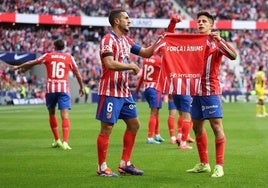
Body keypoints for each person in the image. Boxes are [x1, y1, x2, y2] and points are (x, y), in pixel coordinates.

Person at [95, 9, 161, 177]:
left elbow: (146, 53)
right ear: (116, 21)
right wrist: (131, 65)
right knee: (107, 127)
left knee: (134, 124)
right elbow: (109, 63)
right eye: (126, 18)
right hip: (110, 91)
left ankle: (125, 164)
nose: (129, 21)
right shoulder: (108, 39)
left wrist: (158, 42)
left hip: (124, 92)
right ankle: (102, 167)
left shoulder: (126, 40)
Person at [182, 12, 237, 177]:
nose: (200, 23)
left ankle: (219, 166)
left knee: (216, 126)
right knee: (197, 127)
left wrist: (220, 39)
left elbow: (233, 56)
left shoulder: (215, 42)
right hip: (195, 92)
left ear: (211, 25)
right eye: (198, 21)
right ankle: (204, 164)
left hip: (211, 90)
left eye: (204, 21)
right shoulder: (192, 42)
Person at [12, 39, 85, 150]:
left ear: (54, 46)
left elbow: (32, 62)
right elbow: (77, 74)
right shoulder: (69, 57)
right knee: (65, 115)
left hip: (51, 89)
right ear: (64, 47)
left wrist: (18, 66)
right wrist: (81, 87)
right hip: (63, 89)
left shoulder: (48, 56)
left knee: (52, 114)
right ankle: (65, 142)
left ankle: (57, 140)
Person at [165, 15, 194, 149]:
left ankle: (180, 136)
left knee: (181, 114)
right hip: (184, 86)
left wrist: (173, 23)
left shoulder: (174, 52)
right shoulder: (189, 55)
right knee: (187, 116)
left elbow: (168, 36)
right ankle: (182, 142)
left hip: (174, 87)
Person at [136, 54, 165, 144]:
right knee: (154, 112)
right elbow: (165, 74)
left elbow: (142, 76)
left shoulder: (146, 59)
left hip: (147, 88)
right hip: (155, 89)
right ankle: (150, 137)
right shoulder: (159, 60)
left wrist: (137, 89)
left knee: (156, 112)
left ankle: (157, 135)